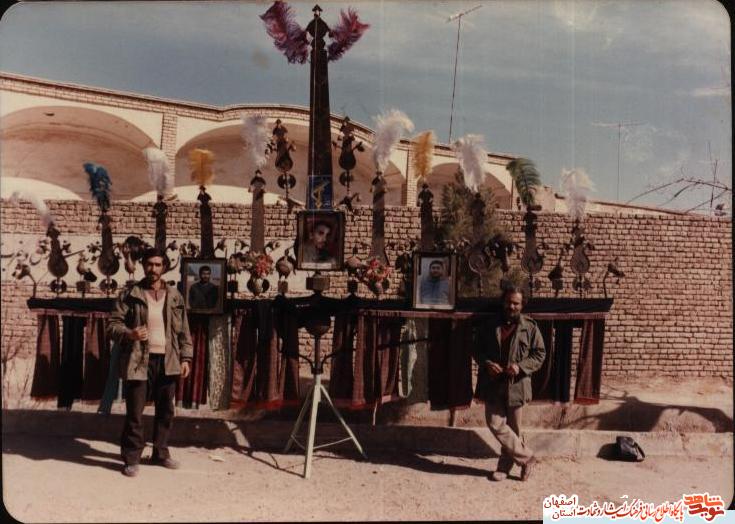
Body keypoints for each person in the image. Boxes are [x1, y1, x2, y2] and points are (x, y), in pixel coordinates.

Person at [107, 247, 193, 477]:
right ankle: (132, 458)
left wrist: (186, 358)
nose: (153, 269)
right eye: (149, 264)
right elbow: (112, 325)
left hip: (168, 360)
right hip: (138, 360)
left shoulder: (175, 295)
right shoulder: (130, 294)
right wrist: (130, 333)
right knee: (135, 412)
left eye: (157, 264)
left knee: (166, 411)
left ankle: (160, 453)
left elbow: (184, 331)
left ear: (164, 267)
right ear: (143, 266)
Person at [473, 285, 545, 482]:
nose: (511, 306)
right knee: (494, 423)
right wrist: (487, 363)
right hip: (493, 383)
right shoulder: (489, 325)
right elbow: (477, 349)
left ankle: (504, 467)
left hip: (517, 385)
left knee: (514, 430)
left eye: (516, 303)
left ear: (522, 305)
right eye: (508, 302)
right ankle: (528, 458)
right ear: (502, 302)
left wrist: (520, 367)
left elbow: (539, 354)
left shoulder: (530, 327)